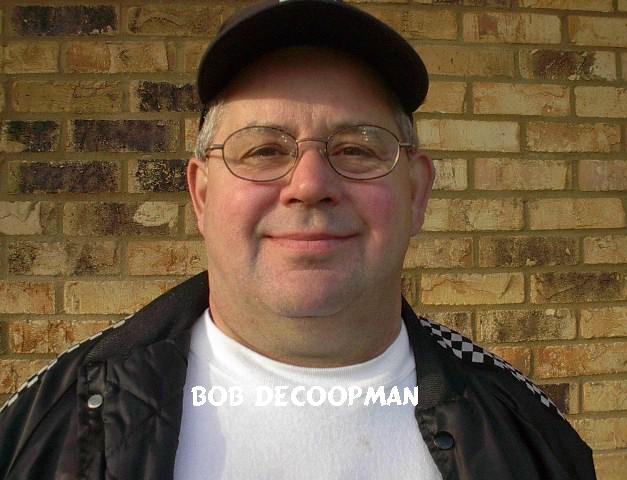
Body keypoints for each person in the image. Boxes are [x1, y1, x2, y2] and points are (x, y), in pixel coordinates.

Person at [0, 1, 595, 479]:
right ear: (201, 195)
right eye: (263, 150)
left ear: (417, 193)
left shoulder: (531, 438)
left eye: (357, 149)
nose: (310, 185)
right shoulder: (41, 430)